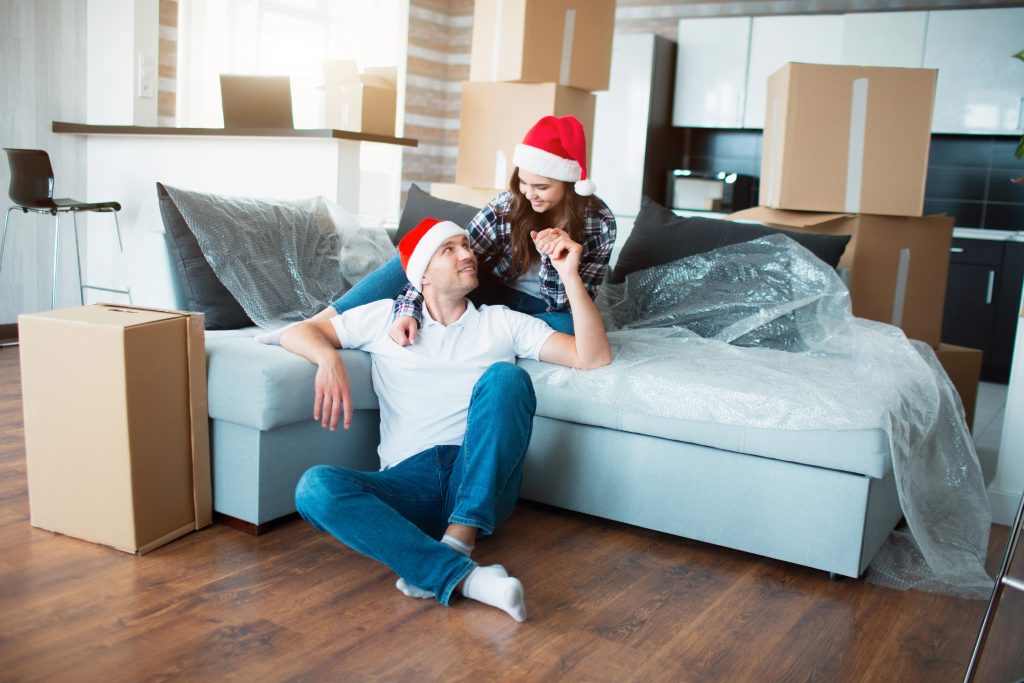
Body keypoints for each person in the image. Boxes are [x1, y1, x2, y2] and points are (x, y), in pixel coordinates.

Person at [283, 216, 613, 622]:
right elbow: (296, 332)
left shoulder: (502, 321)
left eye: (467, 246)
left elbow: (593, 357)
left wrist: (569, 275)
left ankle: (460, 537)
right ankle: (465, 578)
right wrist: (327, 358)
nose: (467, 255)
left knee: (505, 378)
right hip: (409, 483)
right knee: (316, 487)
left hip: (479, 475)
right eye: (450, 249)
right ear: (423, 273)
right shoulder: (384, 317)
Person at [316, 114, 616, 340]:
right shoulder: (507, 206)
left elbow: (568, 303)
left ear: (569, 184)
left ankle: (486, 327)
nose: (529, 193)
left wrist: (556, 263)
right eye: (523, 182)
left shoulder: (599, 223)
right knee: (417, 256)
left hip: (547, 309)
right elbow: (441, 265)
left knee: (576, 329)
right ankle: (325, 319)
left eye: (541, 186)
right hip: (492, 292)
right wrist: (409, 309)